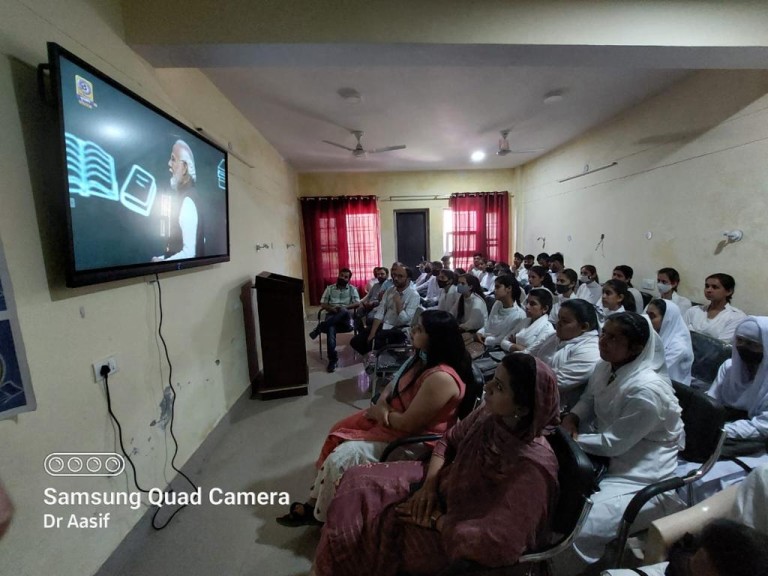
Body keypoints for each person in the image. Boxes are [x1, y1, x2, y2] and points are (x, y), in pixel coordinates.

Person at [311, 353, 561, 576]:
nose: (487, 388)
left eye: (498, 386)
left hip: (457, 534)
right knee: (357, 481)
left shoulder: (531, 466)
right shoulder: (490, 416)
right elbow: (447, 442)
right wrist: (429, 487)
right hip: (442, 485)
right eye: (491, 380)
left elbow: (499, 543)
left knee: (375, 526)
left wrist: (435, 520)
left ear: (523, 407)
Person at [279, 310, 472, 527]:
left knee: (342, 457)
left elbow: (409, 424)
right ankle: (317, 500)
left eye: (419, 329)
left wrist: (382, 414)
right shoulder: (420, 358)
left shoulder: (441, 378)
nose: (412, 331)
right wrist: (381, 403)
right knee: (340, 429)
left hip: (416, 441)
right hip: (392, 420)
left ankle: (323, 515)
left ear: (436, 338)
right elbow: (391, 386)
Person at [559, 312, 684, 569]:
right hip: (605, 454)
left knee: (580, 526)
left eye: (613, 338)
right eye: (604, 333)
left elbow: (614, 443)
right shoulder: (605, 366)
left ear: (637, 347)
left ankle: (562, 568)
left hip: (639, 473)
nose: (602, 341)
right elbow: (590, 399)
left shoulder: (647, 390)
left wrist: (573, 438)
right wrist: (572, 417)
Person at [708, 316, 768, 441]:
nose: (742, 346)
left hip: (753, 437)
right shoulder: (729, 367)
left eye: (751, 344)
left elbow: (763, 426)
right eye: (739, 340)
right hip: (721, 425)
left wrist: (721, 430)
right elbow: (711, 401)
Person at [535, 298, 601, 410]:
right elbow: (528, 354)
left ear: (584, 327)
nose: (558, 324)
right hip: (533, 392)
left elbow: (556, 382)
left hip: (556, 409)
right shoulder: (555, 336)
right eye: (559, 319)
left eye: (565, 321)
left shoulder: (591, 350)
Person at [350, 264, 420, 355]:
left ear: (408, 279)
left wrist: (398, 305)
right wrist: (372, 332)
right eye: (395, 275)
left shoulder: (413, 295)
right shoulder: (390, 290)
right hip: (385, 325)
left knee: (373, 344)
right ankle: (373, 360)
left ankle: (380, 362)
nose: (395, 278)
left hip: (399, 330)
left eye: (400, 276)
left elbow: (405, 321)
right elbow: (380, 311)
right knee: (355, 341)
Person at [152, 139, 202, 261]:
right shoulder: (184, 196)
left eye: (173, 159)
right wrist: (161, 258)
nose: (169, 163)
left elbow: (190, 253)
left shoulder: (188, 201)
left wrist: (163, 263)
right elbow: (177, 249)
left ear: (184, 167)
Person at [310, 268, 360, 372]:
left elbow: (357, 303)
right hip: (332, 314)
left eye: (346, 277)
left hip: (345, 320)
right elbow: (323, 303)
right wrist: (332, 308)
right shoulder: (330, 288)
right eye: (341, 275)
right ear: (338, 275)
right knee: (330, 329)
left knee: (343, 310)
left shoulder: (352, 289)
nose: (343, 278)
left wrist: (345, 308)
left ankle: (319, 328)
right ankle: (332, 360)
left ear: (349, 279)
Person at [684, 273, 747, 342]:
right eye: (707, 286)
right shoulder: (693, 311)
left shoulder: (736, 317)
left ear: (729, 291)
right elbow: (679, 333)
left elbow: (721, 346)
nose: (708, 290)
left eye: (715, 287)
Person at [646, 299, 694, 385]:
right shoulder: (654, 335)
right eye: (647, 315)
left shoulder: (679, 347)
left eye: (652, 316)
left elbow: (657, 373)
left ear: (667, 319)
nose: (647, 320)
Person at [475, 274, 527, 349]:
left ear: (509, 288)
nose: (494, 290)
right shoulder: (498, 303)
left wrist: (485, 339)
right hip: (486, 341)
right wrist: (480, 332)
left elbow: (503, 339)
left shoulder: (519, 315)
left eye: (497, 287)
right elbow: (488, 325)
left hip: (499, 348)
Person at [503, 288, 555, 355]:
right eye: (527, 302)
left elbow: (531, 354)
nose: (527, 306)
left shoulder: (547, 330)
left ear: (545, 309)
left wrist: (514, 343)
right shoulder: (525, 321)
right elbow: (503, 341)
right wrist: (517, 346)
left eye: (532, 304)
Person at [354, 266, 391, 332]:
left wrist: (373, 303)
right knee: (359, 311)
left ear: (387, 275)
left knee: (370, 318)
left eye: (382, 274)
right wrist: (362, 302)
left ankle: (370, 332)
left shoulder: (390, 286)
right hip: (369, 304)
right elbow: (368, 296)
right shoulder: (375, 285)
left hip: (379, 305)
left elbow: (385, 300)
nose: (379, 276)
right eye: (378, 274)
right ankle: (362, 332)